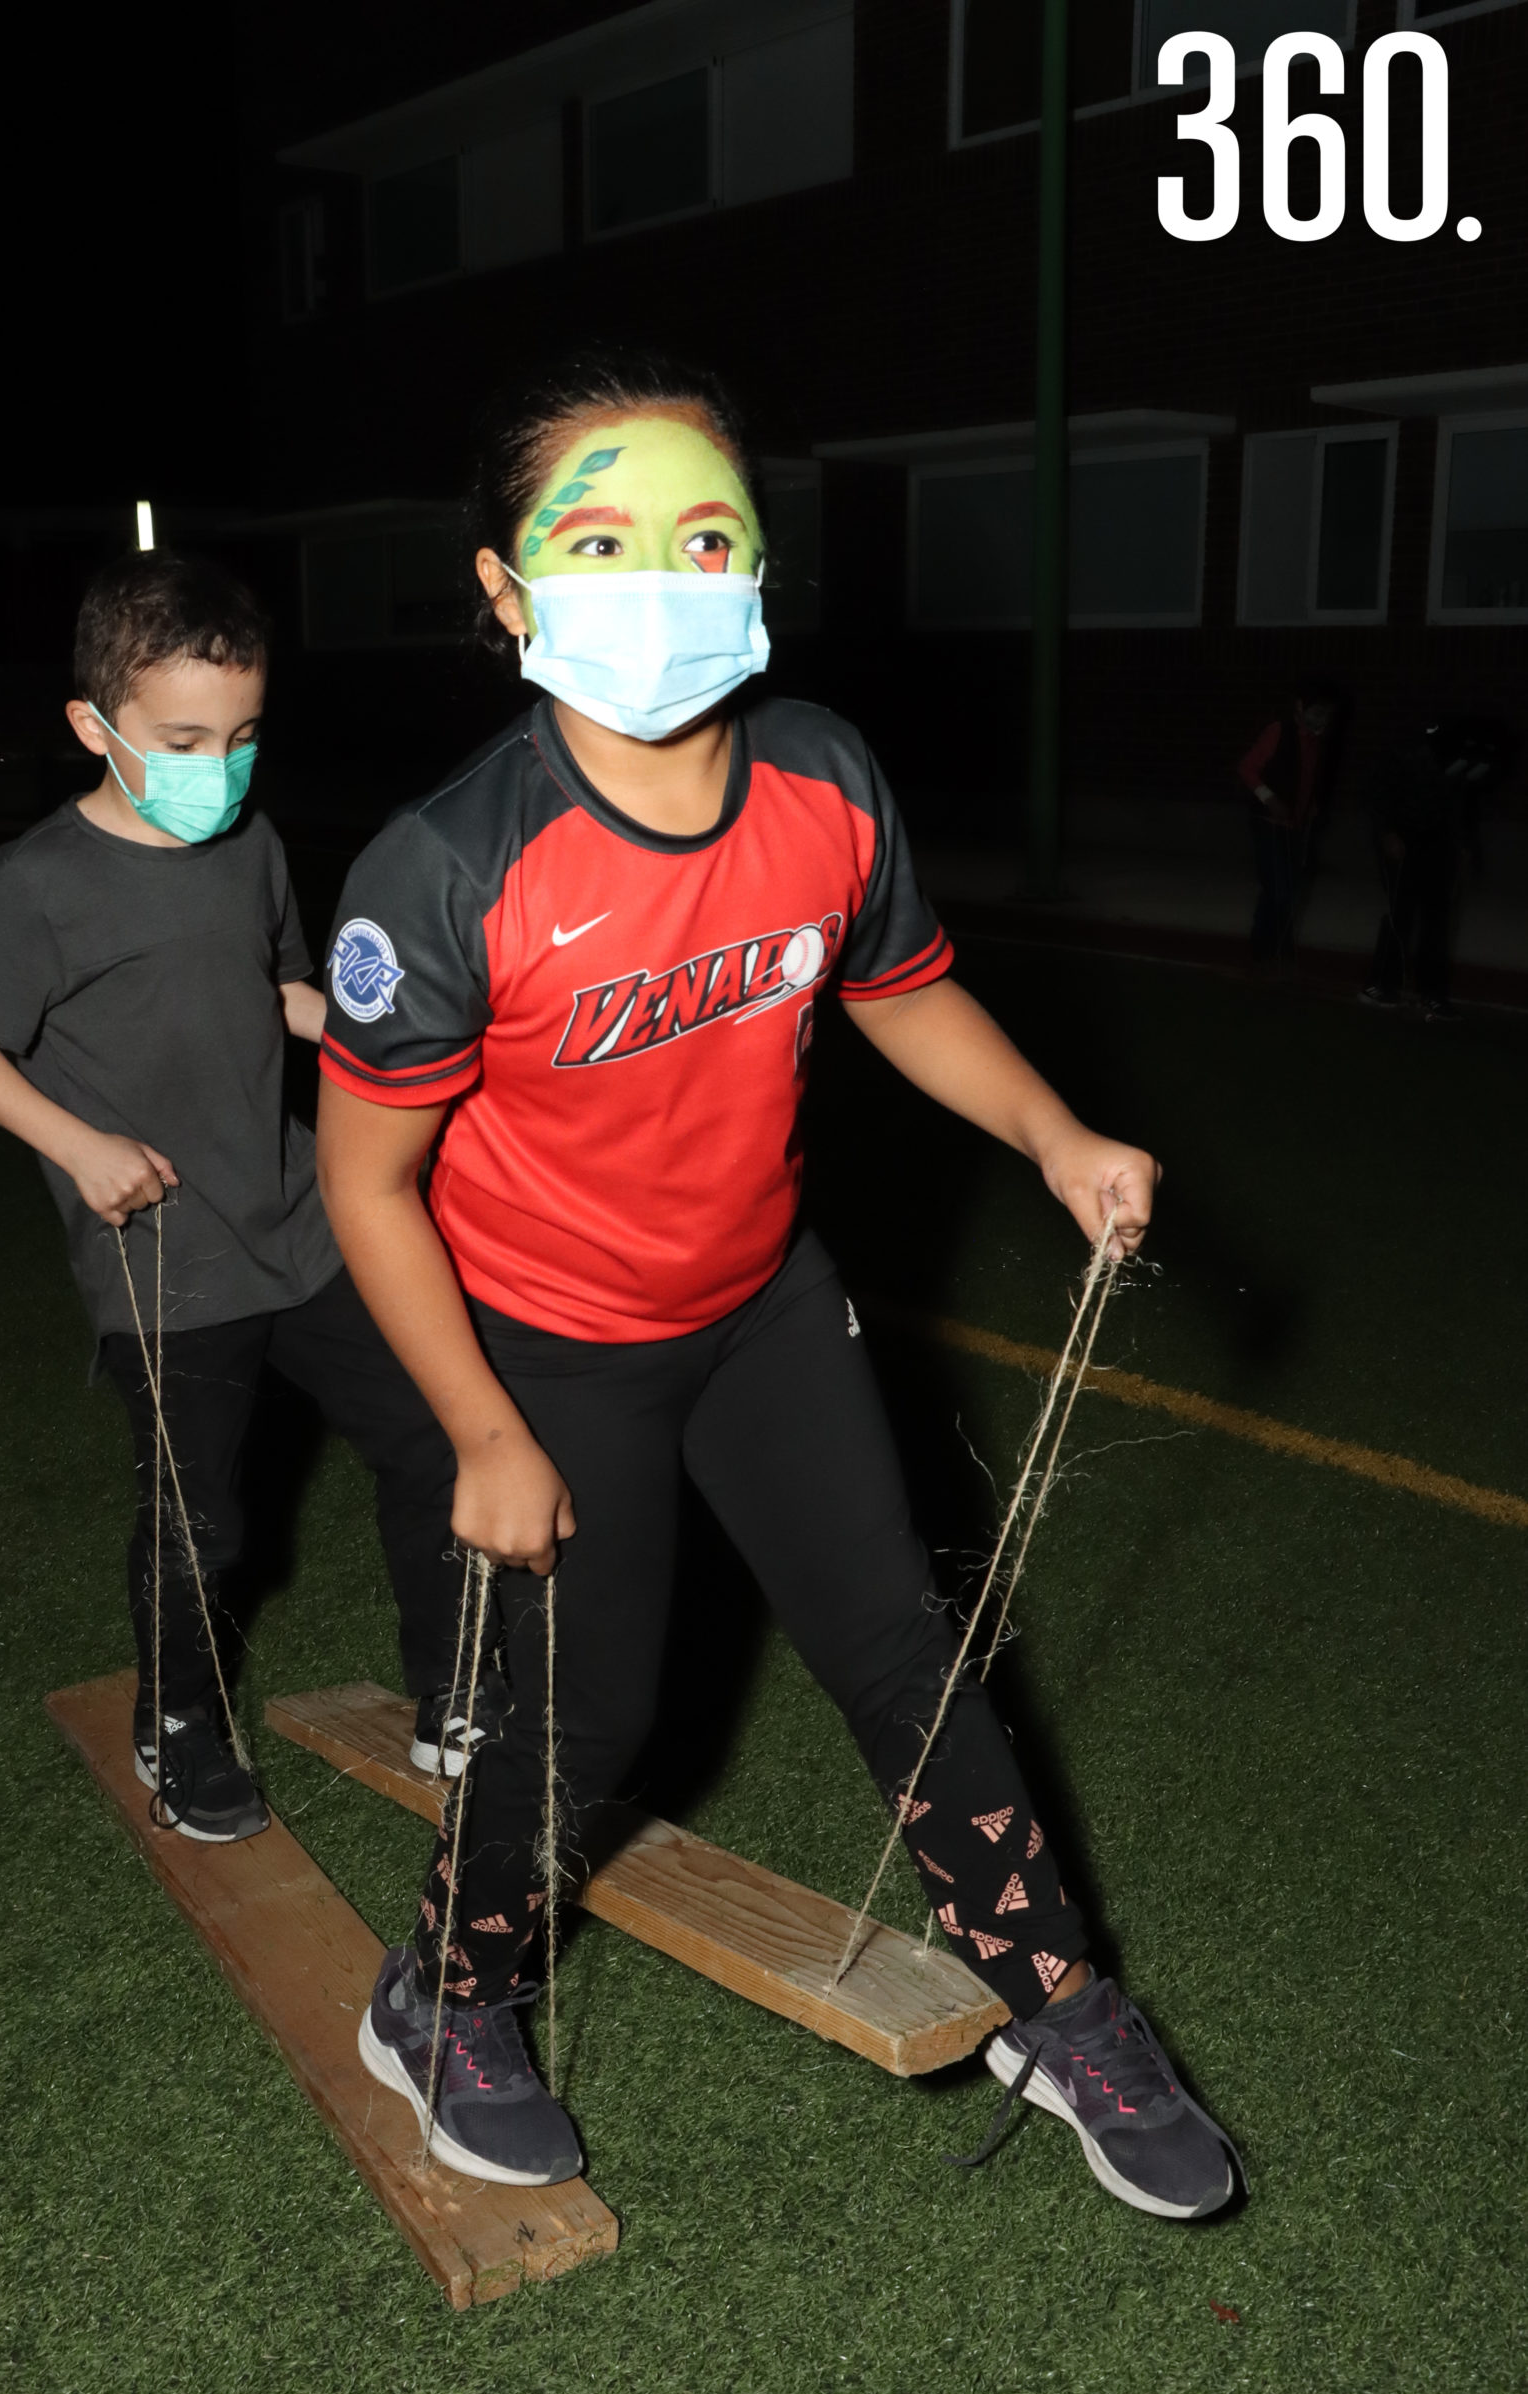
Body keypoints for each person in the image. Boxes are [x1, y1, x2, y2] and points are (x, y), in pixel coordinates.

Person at [316, 351, 1241, 2219]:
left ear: (758, 568)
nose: (660, 575)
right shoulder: (443, 868)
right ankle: (447, 1995)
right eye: (597, 538)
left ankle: (1056, 2007)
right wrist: (484, 1429)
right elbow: (370, 1179)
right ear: (504, 592)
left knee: (907, 1646)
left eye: (704, 532)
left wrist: (1054, 1136)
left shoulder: (820, 775)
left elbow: (897, 988)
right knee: (597, 1718)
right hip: (553, 1345)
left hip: (759, 1306)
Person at [0, 551, 469, 1843]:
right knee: (199, 1512)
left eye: (243, 734)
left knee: (429, 1435)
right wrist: (76, 1144)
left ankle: (452, 1694)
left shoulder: (250, 842)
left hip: (297, 1217)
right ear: (92, 728)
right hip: (164, 1253)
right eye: (180, 738)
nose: (217, 764)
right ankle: (177, 1725)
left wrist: (378, 1044)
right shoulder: (43, 882)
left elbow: (275, 989)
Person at [1360, 715, 1514, 1019]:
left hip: (1439, 841)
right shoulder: (1409, 755)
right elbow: (1378, 794)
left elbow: (1462, 804)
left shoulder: (1471, 763)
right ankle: (1381, 984)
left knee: (1438, 918)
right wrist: (1387, 833)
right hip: (1402, 836)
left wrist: (1464, 848)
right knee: (1401, 910)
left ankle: (1433, 993)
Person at [1236, 682, 1339, 966]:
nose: (1323, 719)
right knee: (1279, 890)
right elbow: (1247, 767)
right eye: (1318, 711)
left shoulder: (1317, 742)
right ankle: (1271, 949)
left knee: (1284, 891)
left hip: (1295, 827)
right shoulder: (1278, 732)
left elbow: (1307, 778)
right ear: (1299, 707)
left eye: (1327, 714)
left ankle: (1269, 947)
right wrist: (1270, 799)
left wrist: (1311, 805)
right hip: (1269, 823)